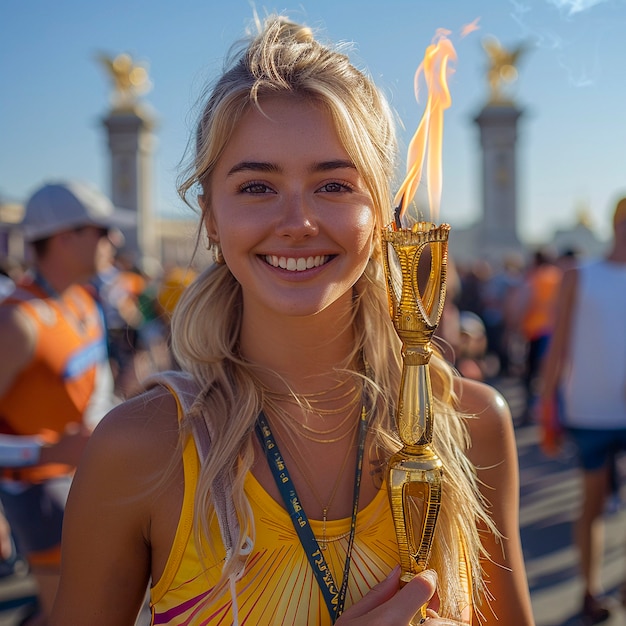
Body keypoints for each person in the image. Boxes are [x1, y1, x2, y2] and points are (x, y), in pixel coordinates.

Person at [52, 16, 535, 626]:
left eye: (334, 184)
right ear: (210, 219)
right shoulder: (139, 449)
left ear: (385, 215)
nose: (298, 221)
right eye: (257, 187)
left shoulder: (471, 423)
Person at [0, 180, 134, 624]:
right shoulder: (18, 321)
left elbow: (92, 401)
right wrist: (48, 451)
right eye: (101, 231)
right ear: (65, 237)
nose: (113, 241)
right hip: (37, 491)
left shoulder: (84, 299)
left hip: (85, 479)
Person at [539, 197, 626, 623]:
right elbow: (557, 345)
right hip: (589, 410)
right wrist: (546, 405)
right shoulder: (579, 275)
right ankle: (590, 592)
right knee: (591, 502)